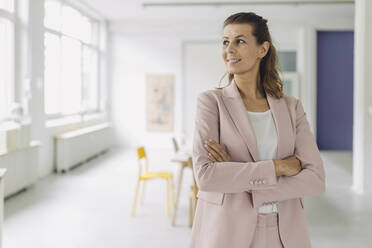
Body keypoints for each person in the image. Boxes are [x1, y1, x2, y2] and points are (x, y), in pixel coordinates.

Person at [190, 12, 326, 248]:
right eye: (225, 41)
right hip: (227, 231)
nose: (229, 49)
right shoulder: (211, 103)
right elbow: (206, 177)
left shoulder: (291, 107)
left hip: (285, 233)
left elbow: (315, 180)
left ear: (262, 49)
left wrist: (238, 177)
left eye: (240, 41)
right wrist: (278, 167)